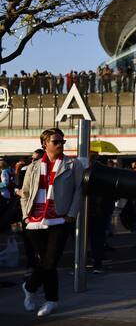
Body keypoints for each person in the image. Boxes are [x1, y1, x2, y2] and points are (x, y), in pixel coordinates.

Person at [20, 128, 84, 316]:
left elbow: (78, 191)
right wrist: (25, 216)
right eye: (56, 141)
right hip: (34, 221)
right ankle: (50, 300)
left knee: (50, 260)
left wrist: (71, 214)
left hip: (59, 219)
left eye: (62, 142)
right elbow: (24, 193)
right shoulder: (33, 166)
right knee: (48, 264)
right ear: (44, 144)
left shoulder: (73, 164)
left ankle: (32, 288)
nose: (60, 145)